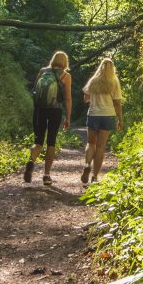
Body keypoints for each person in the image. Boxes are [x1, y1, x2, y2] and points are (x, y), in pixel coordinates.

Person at [24, 50, 71, 186]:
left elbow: (35, 91)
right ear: (65, 62)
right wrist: (67, 117)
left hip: (39, 110)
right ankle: (46, 175)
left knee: (38, 140)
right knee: (51, 142)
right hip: (55, 111)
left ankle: (31, 160)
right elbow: (67, 98)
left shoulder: (43, 71)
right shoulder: (65, 76)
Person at [81, 57, 123, 184]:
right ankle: (94, 177)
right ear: (112, 68)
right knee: (100, 147)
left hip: (93, 115)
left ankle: (88, 164)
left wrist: (95, 99)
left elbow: (86, 99)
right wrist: (120, 119)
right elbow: (117, 103)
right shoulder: (114, 82)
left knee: (90, 143)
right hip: (108, 116)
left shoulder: (93, 80)